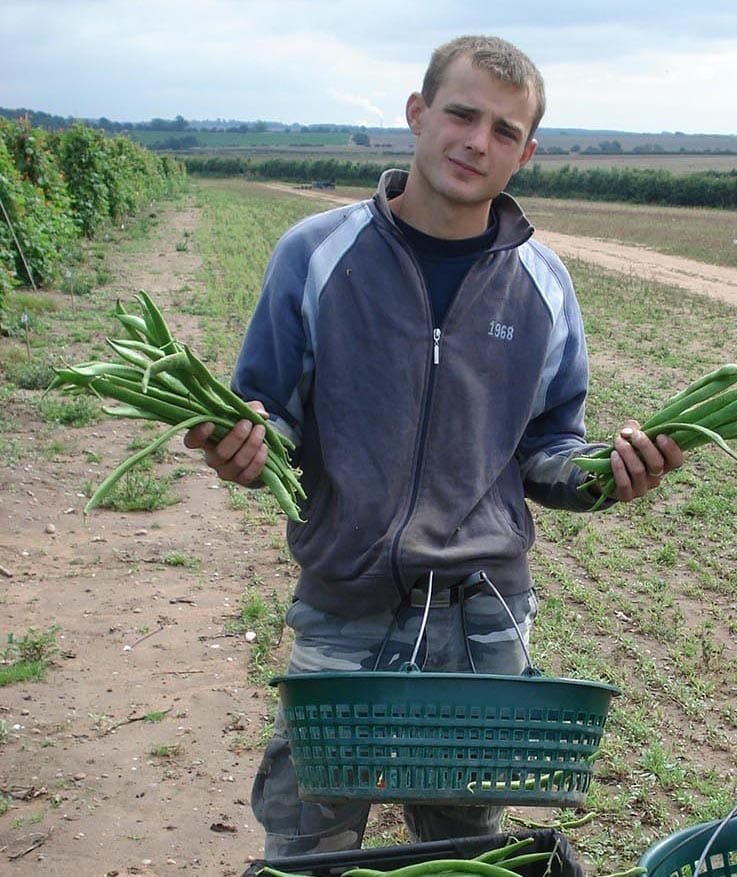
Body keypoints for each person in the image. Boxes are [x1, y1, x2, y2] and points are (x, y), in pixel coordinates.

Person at [184, 34, 682, 859]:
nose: (475, 141)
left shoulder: (544, 284)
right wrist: (244, 448)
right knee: (311, 842)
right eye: (460, 113)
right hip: (346, 604)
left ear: (525, 153)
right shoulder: (315, 253)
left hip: (480, 616)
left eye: (503, 130)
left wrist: (604, 477)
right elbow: (265, 412)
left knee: (462, 850)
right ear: (418, 115)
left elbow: (548, 445)